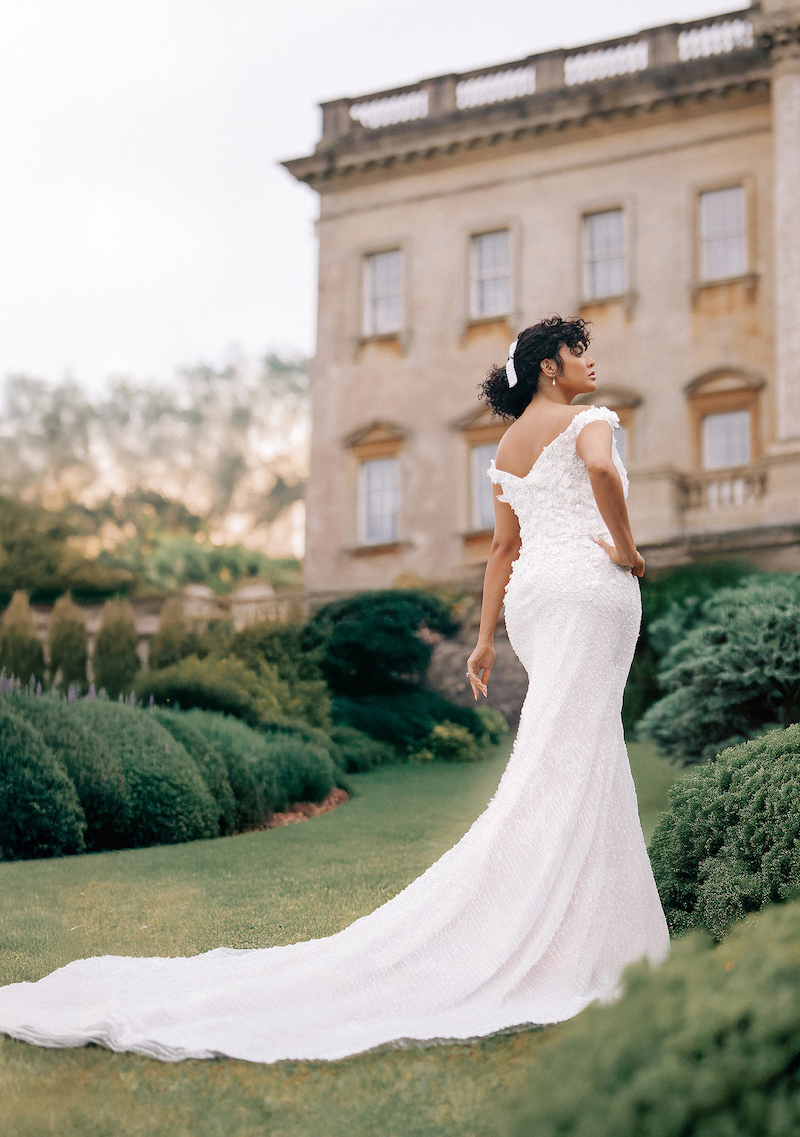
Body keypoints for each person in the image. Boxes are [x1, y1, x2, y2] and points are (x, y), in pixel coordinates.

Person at [0, 316, 668, 1065]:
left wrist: (484, 639)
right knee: (578, 750)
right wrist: (629, 551)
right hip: (585, 589)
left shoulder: (504, 450)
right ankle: (574, 931)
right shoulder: (591, 421)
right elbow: (604, 475)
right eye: (579, 352)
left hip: (537, 601)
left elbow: (503, 550)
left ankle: (566, 913)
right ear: (551, 366)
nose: (592, 362)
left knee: (565, 752)